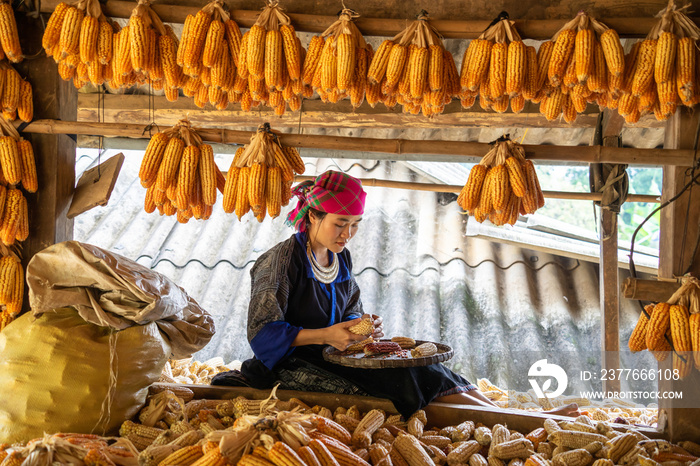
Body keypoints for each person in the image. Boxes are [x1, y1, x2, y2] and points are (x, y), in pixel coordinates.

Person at [212, 170, 578, 418]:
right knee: (404, 382)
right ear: (311, 217)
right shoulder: (279, 261)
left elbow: (351, 312)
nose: (347, 234)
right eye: (340, 224)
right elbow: (262, 334)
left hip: (335, 355)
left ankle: (509, 417)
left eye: (354, 225)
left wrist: (362, 326)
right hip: (292, 364)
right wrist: (327, 335)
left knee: (427, 366)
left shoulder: (341, 257)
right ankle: (519, 421)